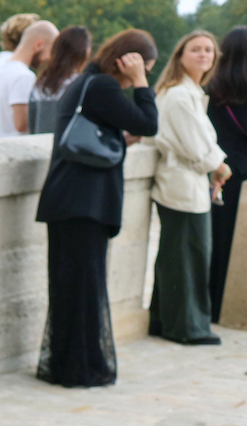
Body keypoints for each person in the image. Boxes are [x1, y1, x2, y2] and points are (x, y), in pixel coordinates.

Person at [34, 30, 159, 386]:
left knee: (70, 287)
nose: (145, 73)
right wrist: (140, 83)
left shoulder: (86, 82)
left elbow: (108, 130)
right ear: (130, 60)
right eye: (145, 66)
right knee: (84, 288)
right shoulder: (103, 86)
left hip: (68, 200)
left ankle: (67, 364)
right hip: (84, 203)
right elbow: (148, 123)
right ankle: (80, 369)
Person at [148, 30, 231, 343]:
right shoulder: (181, 96)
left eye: (209, 50)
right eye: (195, 49)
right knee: (188, 258)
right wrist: (221, 166)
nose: (204, 55)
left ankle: (164, 321)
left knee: (176, 256)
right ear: (180, 56)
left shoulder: (188, 92)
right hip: (181, 184)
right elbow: (198, 147)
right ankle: (187, 328)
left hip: (186, 182)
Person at [208, 27, 247, 318]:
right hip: (241, 174)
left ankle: (208, 304)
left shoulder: (210, 89)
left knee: (214, 243)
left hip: (215, 173)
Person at [0, 17, 57, 140]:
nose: (50, 58)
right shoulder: (24, 76)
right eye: (51, 51)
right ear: (39, 44)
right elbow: (22, 125)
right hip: (15, 148)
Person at [31, 25, 91, 134]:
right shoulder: (79, 83)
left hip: (39, 143)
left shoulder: (41, 82)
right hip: (65, 146)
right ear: (84, 51)